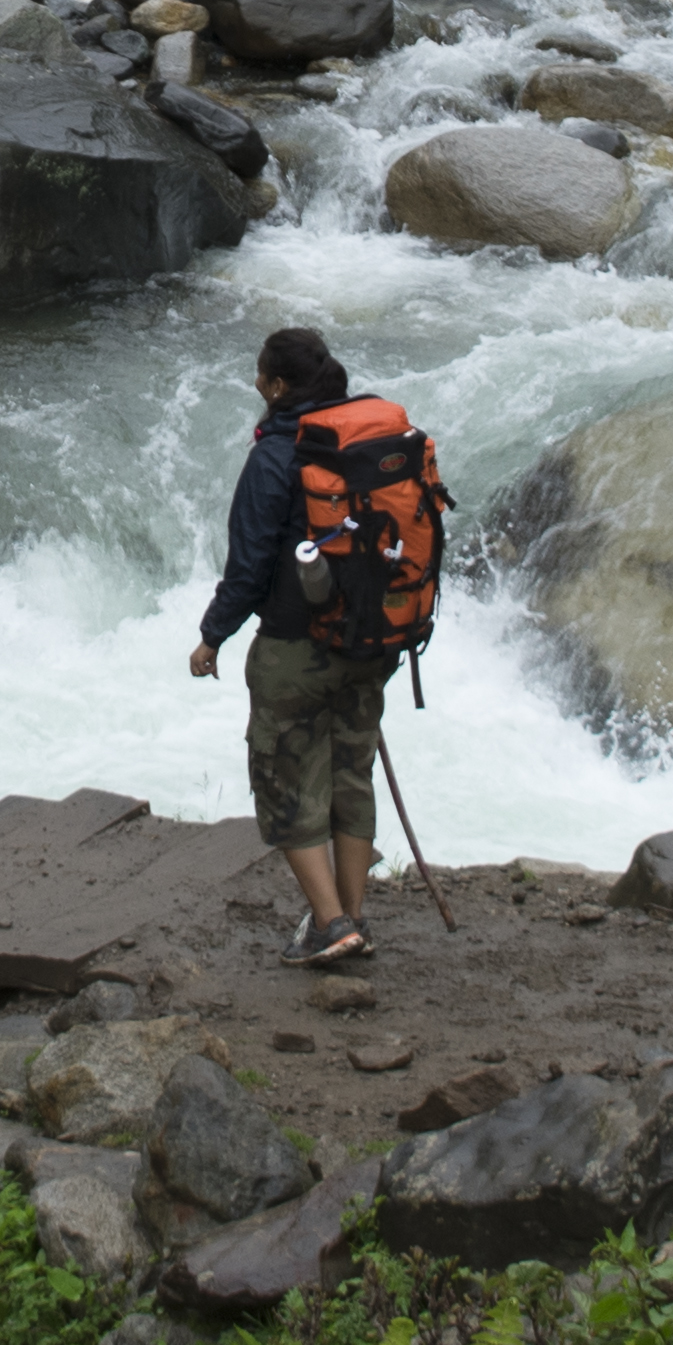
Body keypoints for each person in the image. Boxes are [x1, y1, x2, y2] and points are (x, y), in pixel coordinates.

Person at [189, 325, 402, 969]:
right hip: (373, 641)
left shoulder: (276, 456)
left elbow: (249, 567)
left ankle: (330, 925)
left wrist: (211, 636)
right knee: (349, 775)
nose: (256, 384)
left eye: (261, 375)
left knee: (287, 781)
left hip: (296, 649)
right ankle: (354, 916)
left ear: (279, 387)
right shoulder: (371, 439)